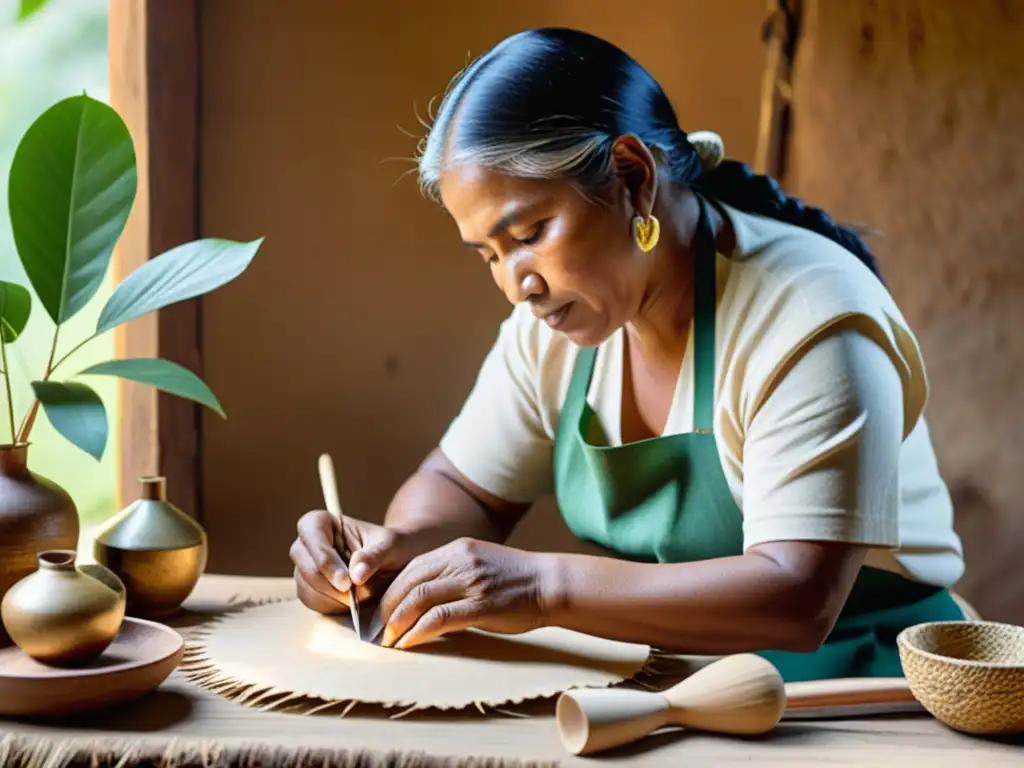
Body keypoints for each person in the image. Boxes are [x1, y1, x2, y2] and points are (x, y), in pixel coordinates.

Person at [289, 27, 967, 682]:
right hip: (673, 675)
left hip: (857, 692)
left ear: (633, 176)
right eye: (488, 255)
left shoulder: (810, 317)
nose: (515, 284)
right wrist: (391, 551)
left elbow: (798, 599)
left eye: (529, 232)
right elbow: (462, 486)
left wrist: (542, 585)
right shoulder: (555, 322)